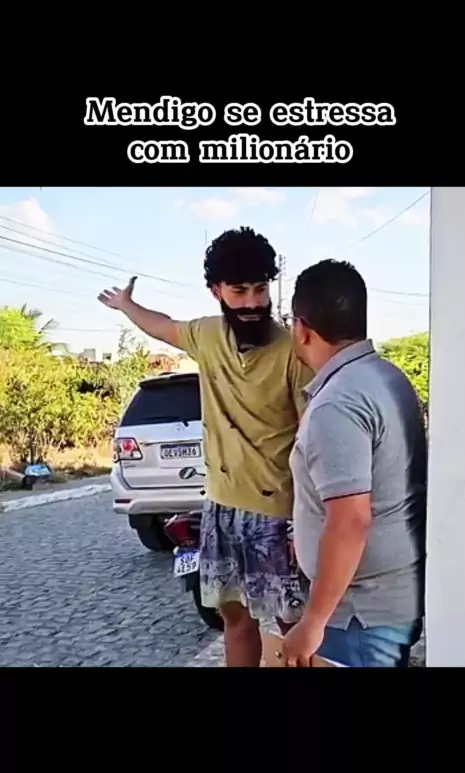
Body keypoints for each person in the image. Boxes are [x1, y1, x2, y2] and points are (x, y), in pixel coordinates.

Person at [98, 227, 313, 666]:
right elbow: (162, 326)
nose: (252, 302)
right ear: (216, 291)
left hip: (280, 513)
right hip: (220, 506)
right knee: (233, 617)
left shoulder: (294, 353)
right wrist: (127, 305)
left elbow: (312, 440)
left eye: (260, 289)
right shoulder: (207, 335)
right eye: (239, 291)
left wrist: (304, 522)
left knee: (295, 622)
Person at [283, 259, 427, 668]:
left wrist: (313, 622)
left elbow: (349, 521)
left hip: (359, 616)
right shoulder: (386, 377)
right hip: (386, 601)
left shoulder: (338, 403)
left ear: (301, 329)